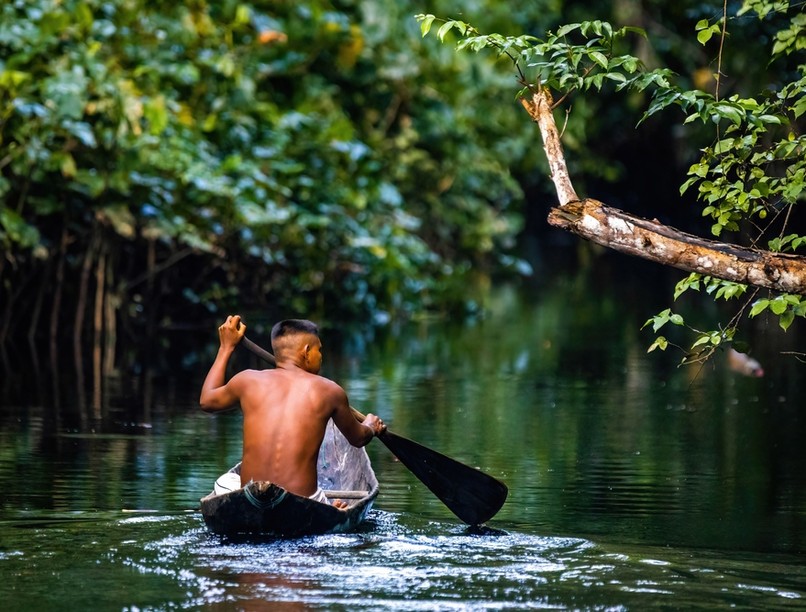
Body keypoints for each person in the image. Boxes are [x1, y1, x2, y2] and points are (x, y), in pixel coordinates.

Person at [199, 315, 386, 507]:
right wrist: (371, 426)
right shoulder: (330, 391)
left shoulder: (247, 380)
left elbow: (207, 401)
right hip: (304, 502)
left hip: (251, 498)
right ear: (306, 351)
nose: (321, 356)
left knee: (226, 482)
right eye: (319, 350)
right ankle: (329, 508)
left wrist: (225, 348)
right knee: (326, 503)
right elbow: (358, 439)